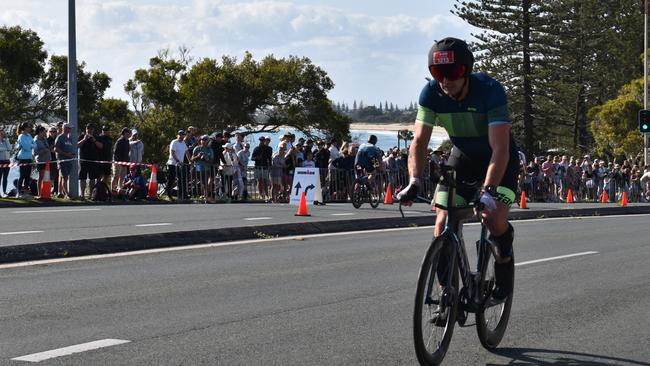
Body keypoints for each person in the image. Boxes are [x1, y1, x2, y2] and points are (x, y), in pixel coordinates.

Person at [397, 37, 519, 301]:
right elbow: (418, 142)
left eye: (454, 72)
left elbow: (500, 150)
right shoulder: (430, 93)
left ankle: (504, 260)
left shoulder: (490, 90)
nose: (446, 80)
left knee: (492, 219)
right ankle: (446, 295)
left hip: (500, 163)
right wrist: (414, 180)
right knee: (441, 223)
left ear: (467, 70)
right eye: (438, 73)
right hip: (462, 160)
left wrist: (488, 191)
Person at [77, 124, 104, 199]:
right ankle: (82, 194)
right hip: (83, 160)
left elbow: (101, 146)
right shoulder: (82, 136)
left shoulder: (97, 137)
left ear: (93, 130)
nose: (90, 130)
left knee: (92, 178)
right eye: (88, 128)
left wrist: (94, 140)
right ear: (86, 129)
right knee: (83, 178)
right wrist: (84, 139)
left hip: (93, 160)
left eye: (91, 129)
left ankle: (91, 194)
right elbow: (77, 145)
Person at [54, 123, 75, 198]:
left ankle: (60, 193)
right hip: (62, 161)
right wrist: (67, 154)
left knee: (63, 177)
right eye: (69, 128)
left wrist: (72, 155)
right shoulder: (60, 137)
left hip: (69, 161)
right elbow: (56, 149)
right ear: (65, 128)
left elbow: (70, 149)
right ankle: (67, 193)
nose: (70, 129)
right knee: (65, 177)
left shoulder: (69, 138)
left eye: (70, 128)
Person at [166, 130, 189, 200]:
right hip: (172, 164)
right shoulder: (174, 142)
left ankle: (183, 195)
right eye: (180, 134)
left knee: (182, 179)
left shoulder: (183, 143)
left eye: (183, 135)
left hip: (180, 164)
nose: (181, 136)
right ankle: (169, 194)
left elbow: (187, 152)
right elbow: (172, 152)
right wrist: (177, 161)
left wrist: (190, 160)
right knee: (171, 179)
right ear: (177, 135)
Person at [15, 122, 34, 198]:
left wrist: (30, 146)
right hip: (22, 158)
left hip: (29, 158)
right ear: (25, 128)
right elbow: (26, 147)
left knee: (27, 176)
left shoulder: (29, 136)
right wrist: (30, 146)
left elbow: (34, 145)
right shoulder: (21, 136)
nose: (30, 128)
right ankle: (19, 192)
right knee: (22, 176)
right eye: (28, 127)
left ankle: (26, 192)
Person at [33, 125, 52, 197]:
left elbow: (47, 148)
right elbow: (34, 152)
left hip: (47, 160)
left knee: (46, 178)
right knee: (41, 177)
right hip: (41, 161)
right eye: (44, 132)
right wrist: (43, 150)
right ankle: (39, 193)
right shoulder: (35, 140)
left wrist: (49, 148)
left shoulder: (44, 139)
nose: (45, 133)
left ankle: (45, 193)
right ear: (40, 132)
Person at [252, 136, 273, 202]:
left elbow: (269, 158)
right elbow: (252, 158)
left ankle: (266, 194)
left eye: (263, 140)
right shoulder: (256, 148)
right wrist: (256, 158)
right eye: (261, 140)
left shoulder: (268, 148)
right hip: (257, 166)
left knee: (265, 181)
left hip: (265, 166)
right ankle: (260, 194)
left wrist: (270, 164)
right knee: (259, 180)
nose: (262, 141)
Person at [112, 127, 132, 193]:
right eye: (128, 132)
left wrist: (127, 161)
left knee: (122, 178)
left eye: (129, 132)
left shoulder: (127, 141)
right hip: (118, 162)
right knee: (116, 177)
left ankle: (119, 191)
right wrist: (118, 161)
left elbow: (128, 151)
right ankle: (113, 191)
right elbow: (115, 152)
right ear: (124, 133)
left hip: (125, 163)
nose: (129, 134)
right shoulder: (119, 141)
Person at [46, 126, 59, 195]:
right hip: (50, 159)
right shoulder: (47, 140)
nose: (53, 133)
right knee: (51, 176)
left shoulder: (57, 139)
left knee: (57, 176)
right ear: (49, 132)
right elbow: (49, 150)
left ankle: (56, 190)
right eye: (51, 131)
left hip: (57, 159)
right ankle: (48, 190)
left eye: (54, 131)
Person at [0, 129, 11, 197]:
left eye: (3, 134)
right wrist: (5, 148)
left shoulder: (6, 141)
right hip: (0, 161)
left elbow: (9, 148)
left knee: (5, 178)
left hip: (7, 161)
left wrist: (6, 139)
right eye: (1, 133)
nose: (2, 135)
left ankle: (4, 192)